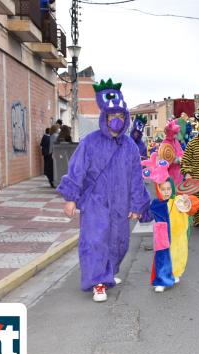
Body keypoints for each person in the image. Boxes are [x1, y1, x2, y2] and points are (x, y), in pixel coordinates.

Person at [57, 78, 150, 302]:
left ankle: (108, 272)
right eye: (112, 117)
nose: (116, 121)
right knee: (95, 240)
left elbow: (137, 178)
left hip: (120, 203)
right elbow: (77, 169)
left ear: (125, 118)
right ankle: (98, 281)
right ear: (104, 118)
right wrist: (70, 198)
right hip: (95, 202)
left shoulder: (129, 146)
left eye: (120, 117)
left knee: (119, 243)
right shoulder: (90, 142)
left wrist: (137, 205)